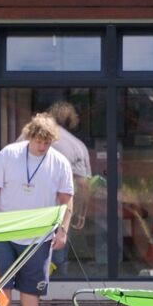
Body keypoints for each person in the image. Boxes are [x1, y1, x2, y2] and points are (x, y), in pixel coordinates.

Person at [0, 113, 74, 306]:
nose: (42, 146)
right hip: (4, 229)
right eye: (39, 141)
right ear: (29, 136)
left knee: (32, 285)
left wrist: (63, 229)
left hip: (39, 234)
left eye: (47, 142)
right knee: (2, 283)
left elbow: (66, 197)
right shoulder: (9, 154)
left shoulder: (59, 162)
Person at [46, 101, 92, 277]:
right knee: (57, 258)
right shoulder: (75, 146)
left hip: (28, 213)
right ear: (70, 119)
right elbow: (83, 185)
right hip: (59, 213)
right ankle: (56, 289)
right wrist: (81, 213)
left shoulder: (25, 139)